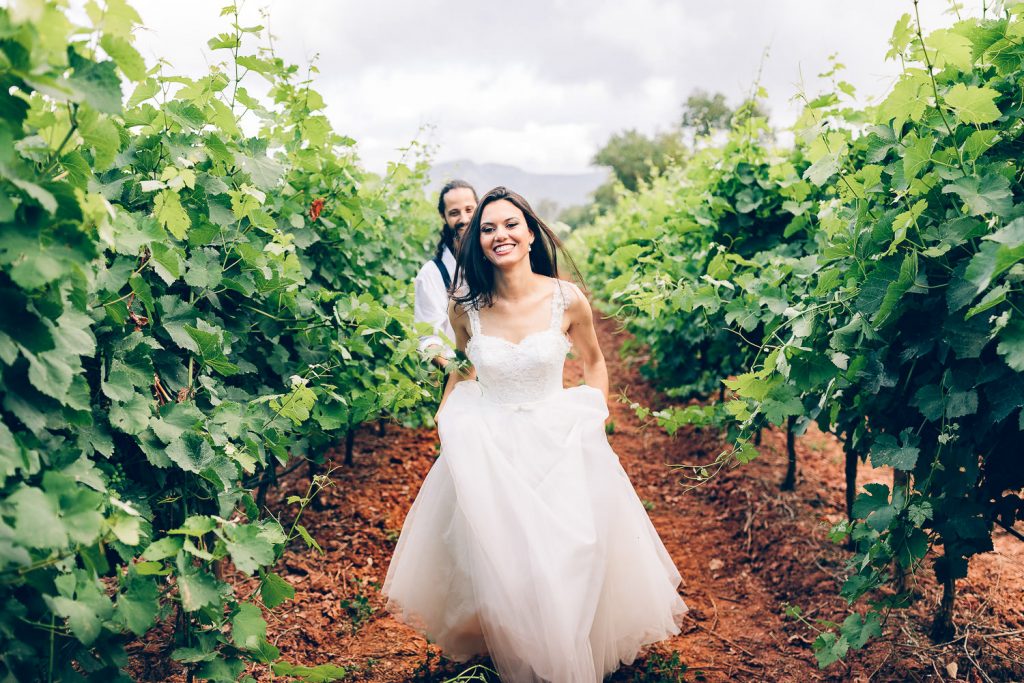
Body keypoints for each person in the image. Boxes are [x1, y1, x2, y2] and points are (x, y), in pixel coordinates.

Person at [383, 186, 687, 682]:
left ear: (529, 233)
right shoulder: (466, 308)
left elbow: (594, 363)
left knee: (570, 553)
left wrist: (595, 416)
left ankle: (566, 657)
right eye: (487, 228)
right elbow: (463, 370)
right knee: (508, 560)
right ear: (477, 242)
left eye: (509, 225)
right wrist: (448, 424)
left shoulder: (566, 299)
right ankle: (522, 655)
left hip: (559, 440)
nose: (498, 234)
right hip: (493, 444)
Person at [413, 179, 478, 369]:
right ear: (443, 216)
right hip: (461, 377)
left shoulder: (494, 260)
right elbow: (428, 338)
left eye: (469, 210)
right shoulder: (432, 274)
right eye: (454, 213)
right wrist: (460, 371)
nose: (464, 219)